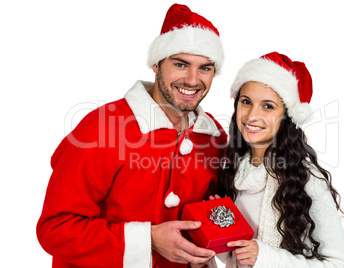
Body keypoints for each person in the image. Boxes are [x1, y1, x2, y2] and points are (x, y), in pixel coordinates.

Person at [36, 4, 227, 268]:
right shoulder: (102, 128)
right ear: (157, 65)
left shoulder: (213, 137)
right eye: (181, 64)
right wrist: (148, 239)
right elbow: (55, 229)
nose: (193, 80)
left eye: (205, 68)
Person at [214, 52, 344, 267]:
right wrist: (220, 231)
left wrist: (264, 256)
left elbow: (341, 264)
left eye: (268, 106)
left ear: (287, 117)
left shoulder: (306, 179)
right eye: (246, 102)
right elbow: (238, 257)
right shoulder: (235, 170)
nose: (252, 115)